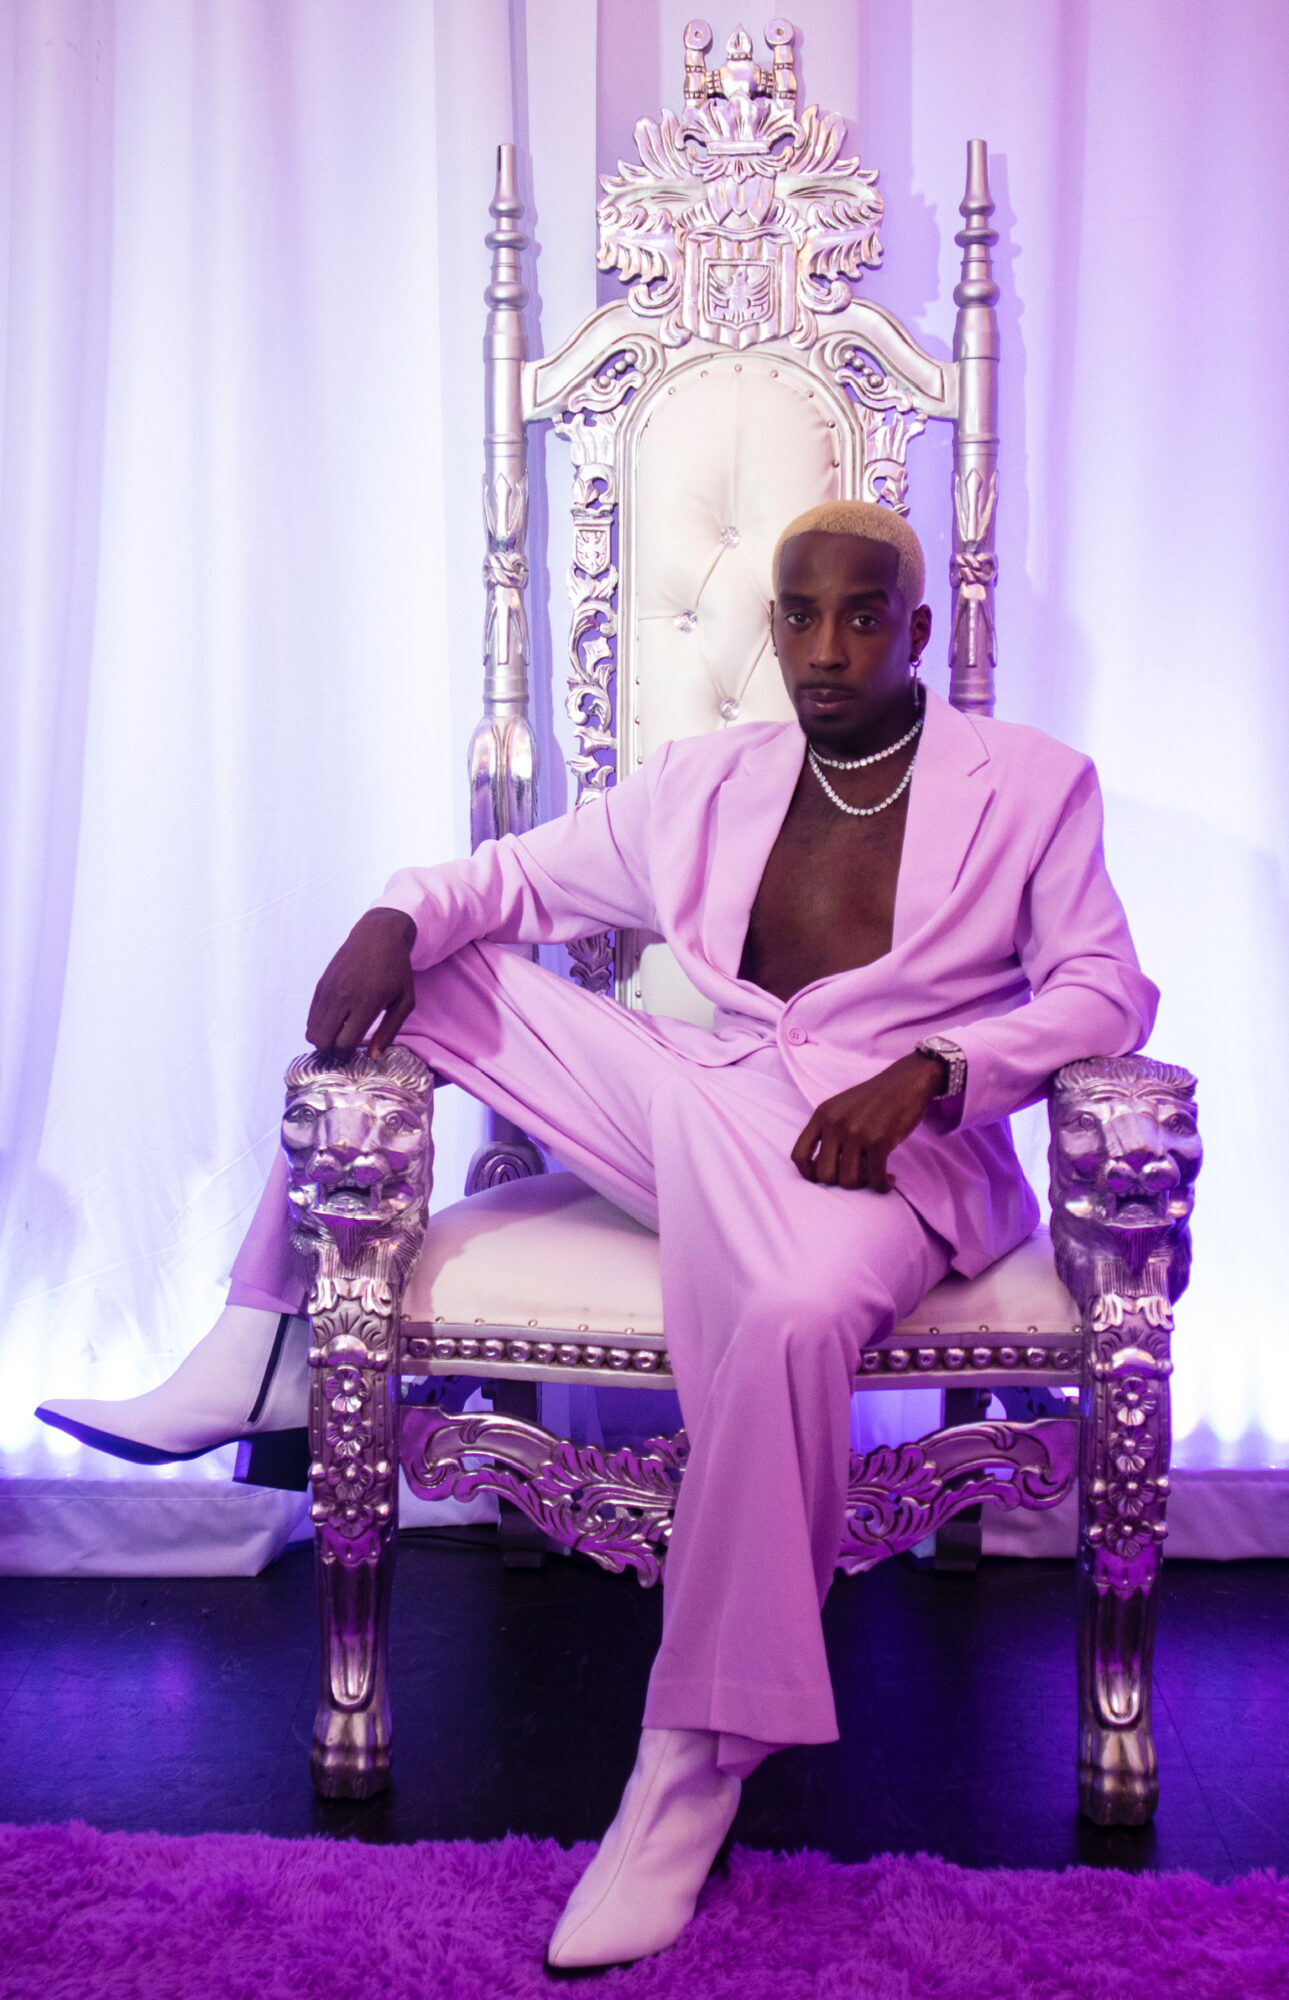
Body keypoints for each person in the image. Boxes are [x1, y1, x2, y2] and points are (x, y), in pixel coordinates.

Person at [38, 500, 1157, 1969]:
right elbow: (510, 883)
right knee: (443, 974)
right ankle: (265, 1348)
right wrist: (394, 913)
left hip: (880, 1158)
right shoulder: (707, 782)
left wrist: (938, 1072)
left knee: (789, 1317)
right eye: (799, 616)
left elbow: (1104, 989)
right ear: (771, 628)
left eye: (860, 617)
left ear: (917, 631)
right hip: (697, 1097)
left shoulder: (1033, 788)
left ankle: (686, 1771)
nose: (826, 649)